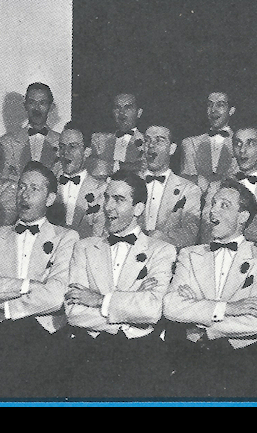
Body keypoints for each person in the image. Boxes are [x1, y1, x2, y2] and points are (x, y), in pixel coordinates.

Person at [0, 161, 79, 398]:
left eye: (34, 189)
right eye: (21, 187)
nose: (24, 195)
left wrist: (5, 304)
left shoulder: (66, 237)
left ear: (50, 199)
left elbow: (56, 295)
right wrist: (28, 285)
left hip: (44, 335)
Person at [64, 169, 178, 398]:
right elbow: (74, 311)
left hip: (139, 354)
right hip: (90, 350)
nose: (108, 207)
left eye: (118, 199)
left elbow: (152, 309)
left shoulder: (161, 250)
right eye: (106, 198)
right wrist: (129, 314)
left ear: (138, 208)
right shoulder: (84, 247)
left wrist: (99, 300)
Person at [163, 180, 257, 398]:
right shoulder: (190, 254)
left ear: (243, 216)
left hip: (241, 362)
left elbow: (256, 321)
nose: (212, 211)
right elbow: (171, 306)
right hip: (192, 360)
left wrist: (201, 323)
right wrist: (228, 308)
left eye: (224, 205)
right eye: (213, 204)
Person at [200, 124, 257, 251]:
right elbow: (208, 231)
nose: (242, 150)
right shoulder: (216, 187)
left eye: (250, 144)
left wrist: (227, 225)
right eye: (238, 144)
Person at [139, 123, 202, 249]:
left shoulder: (189, 190)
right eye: (147, 140)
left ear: (172, 149)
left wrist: (161, 239)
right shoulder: (128, 183)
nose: (151, 145)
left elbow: (190, 233)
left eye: (159, 140)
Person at [52, 122, 107, 238]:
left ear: (87, 152)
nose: (65, 152)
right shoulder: (48, 185)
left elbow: (98, 236)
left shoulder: (101, 190)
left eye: (72, 146)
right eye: (61, 147)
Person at [0, 82, 61, 181]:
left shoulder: (61, 143)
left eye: (42, 103)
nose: (36, 108)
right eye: (32, 102)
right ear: (25, 105)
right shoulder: (6, 142)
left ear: (51, 107)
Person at [179, 91, 238, 192]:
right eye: (210, 105)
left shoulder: (240, 144)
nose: (213, 110)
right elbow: (185, 181)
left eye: (220, 105)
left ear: (231, 110)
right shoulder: (190, 143)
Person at [88, 92, 147, 176]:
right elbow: (91, 166)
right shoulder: (99, 140)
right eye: (117, 108)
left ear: (139, 113)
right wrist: (123, 166)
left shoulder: (147, 142)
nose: (121, 113)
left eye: (128, 108)